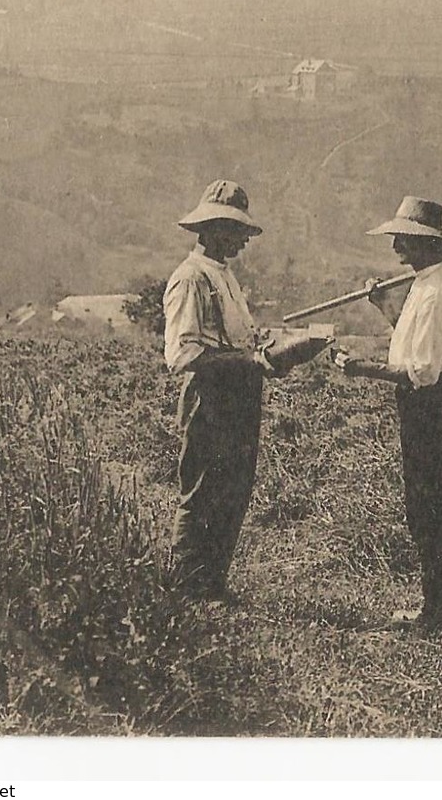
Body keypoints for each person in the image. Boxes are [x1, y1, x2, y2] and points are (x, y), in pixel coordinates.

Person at [335, 197, 442, 633]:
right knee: (428, 505)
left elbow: (423, 370)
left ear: (425, 244)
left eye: (404, 238)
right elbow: (414, 341)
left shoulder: (437, 292)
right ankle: (438, 606)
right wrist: (383, 306)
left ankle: (441, 612)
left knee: (431, 508)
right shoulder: (426, 284)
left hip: (432, 407)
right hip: (429, 404)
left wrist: (362, 368)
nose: (396, 245)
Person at [161, 180, 282, 601]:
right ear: (210, 230)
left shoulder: (224, 277)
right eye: (234, 232)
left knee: (234, 488)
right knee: (202, 491)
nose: (242, 242)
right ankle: (188, 587)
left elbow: (235, 339)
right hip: (210, 399)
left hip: (240, 398)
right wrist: (249, 361)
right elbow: (184, 355)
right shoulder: (190, 279)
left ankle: (213, 582)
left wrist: (261, 349)